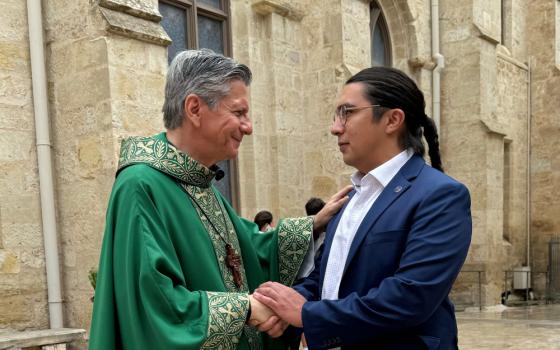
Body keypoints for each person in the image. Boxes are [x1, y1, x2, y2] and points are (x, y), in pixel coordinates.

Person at [89, 49, 351, 350]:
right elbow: (155, 307)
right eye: (238, 113)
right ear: (194, 109)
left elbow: (245, 251)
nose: (248, 126)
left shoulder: (198, 182)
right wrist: (247, 309)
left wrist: (312, 226)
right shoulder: (140, 186)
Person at [254, 67, 472, 350]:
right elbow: (324, 278)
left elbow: (410, 297)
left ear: (392, 120)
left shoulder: (440, 195)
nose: (335, 127)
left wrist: (306, 314)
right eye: (336, 115)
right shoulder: (352, 197)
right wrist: (282, 304)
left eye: (348, 112)